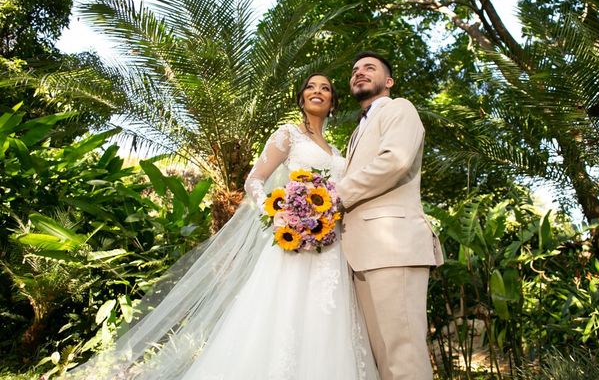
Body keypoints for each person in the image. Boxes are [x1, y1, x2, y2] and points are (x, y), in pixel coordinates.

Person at [65, 73, 379, 379]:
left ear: (333, 102)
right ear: (301, 98)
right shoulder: (288, 135)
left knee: (327, 319)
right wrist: (278, 214)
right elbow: (254, 180)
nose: (318, 91)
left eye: (325, 88)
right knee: (286, 316)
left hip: (330, 246)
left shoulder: (337, 151)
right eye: (310, 86)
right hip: (293, 241)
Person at [336, 52, 444, 380]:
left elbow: (395, 161)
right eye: (355, 70)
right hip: (361, 253)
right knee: (382, 361)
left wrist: (334, 196)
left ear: (389, 81)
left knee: (404, 355)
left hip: (393, 248)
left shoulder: (400, 109)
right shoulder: (357, 132)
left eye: (369, 68)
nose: (359, 73)